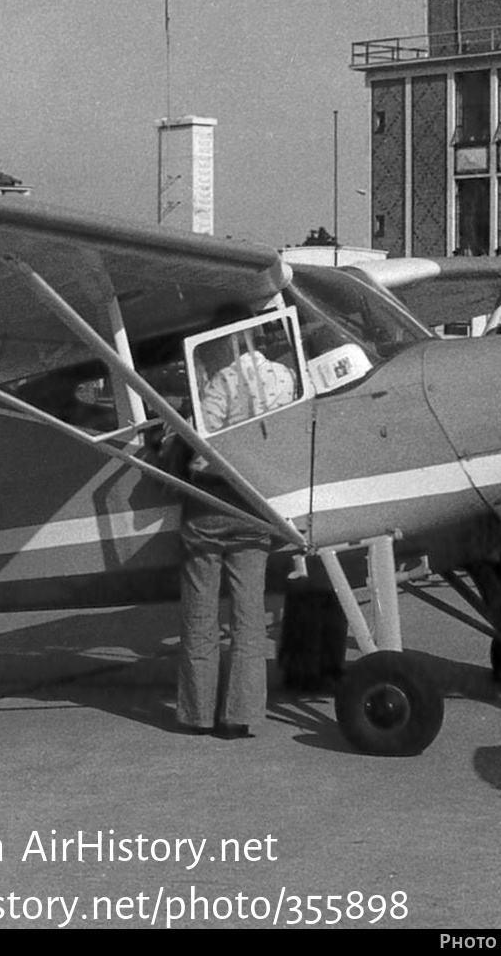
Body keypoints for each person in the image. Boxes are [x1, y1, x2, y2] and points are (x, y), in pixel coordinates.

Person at [175, 313, 305, 740]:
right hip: (256, 507)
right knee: (249, 618)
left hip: (210, 508)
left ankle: (197, 714)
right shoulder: (286, 378)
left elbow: (197, 445)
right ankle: (240, 716)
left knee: (201, 616)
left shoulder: (220, 384)